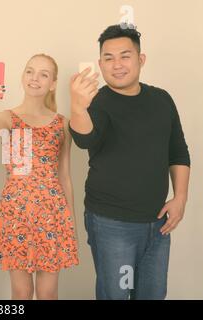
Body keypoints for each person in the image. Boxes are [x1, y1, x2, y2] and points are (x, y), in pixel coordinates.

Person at [69, 25, 191, 300]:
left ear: (141, 59)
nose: (117, 65)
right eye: (108, 58)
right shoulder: (97, 102)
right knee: (117, 296)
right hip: (113, 224)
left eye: (125, 56)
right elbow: (84, 138)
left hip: (158, 223)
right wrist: (77, 106)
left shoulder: (161, 99)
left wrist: (180, 197)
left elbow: (178, 151)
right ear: (100, 64)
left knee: (153, 295)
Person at [0, 54, 79, 300]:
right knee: (21, 293)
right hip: (16, 212)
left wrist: (70, 222)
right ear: (22, 77)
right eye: (30, 71)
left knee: (48, 293)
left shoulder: (63, 123)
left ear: (53, 83)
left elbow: (64, 175)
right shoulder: (6, 117)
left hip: (52, 214)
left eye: (44, 74)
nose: (35, 78)